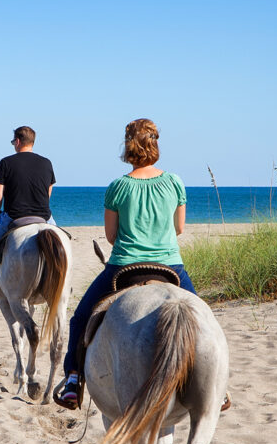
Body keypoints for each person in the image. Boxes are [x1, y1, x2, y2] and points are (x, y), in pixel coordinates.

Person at [54, 118, 196, 409]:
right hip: (170, 266)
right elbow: (179, 228)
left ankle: (73, 380)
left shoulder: (118, 186)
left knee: (80, 318)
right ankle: (217, 388)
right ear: (155, 145)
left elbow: (110, 236)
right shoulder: (174, 182)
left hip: (124, 267)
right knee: (202, 318)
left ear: (128, 146)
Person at [0, 126, 56, 305]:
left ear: (18, 141)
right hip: (44, 216)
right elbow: (48, 192)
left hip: (14, 216)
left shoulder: (6, 162)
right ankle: (63, 282)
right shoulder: (47, 163)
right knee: (61, 245)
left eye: (13, 142)